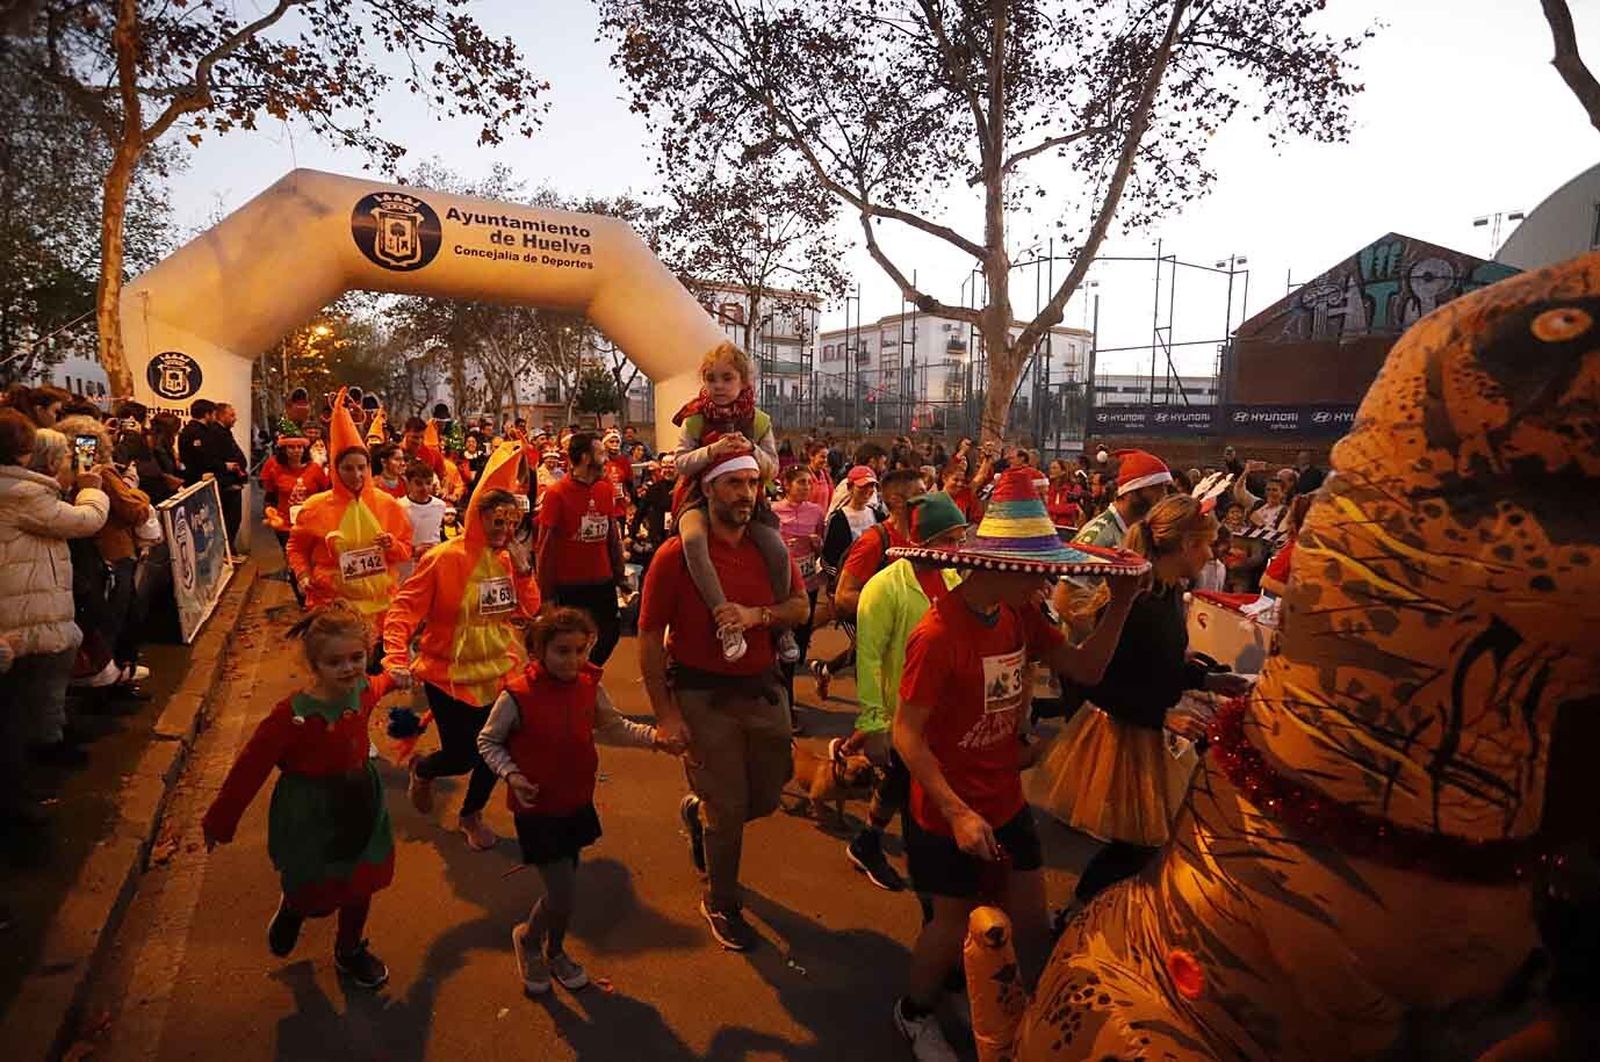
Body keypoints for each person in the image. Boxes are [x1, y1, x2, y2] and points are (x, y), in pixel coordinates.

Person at [890, 470, 1145, 1060]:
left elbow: (1085, 671)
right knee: (950, 926)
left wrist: (1122, 606)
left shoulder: (1021, 614)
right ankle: (914, 1012)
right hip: (943, 810)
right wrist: (955, 812)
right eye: (1034, 567)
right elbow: (907, 735)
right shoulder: (936, 634)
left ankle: (1030, 1019)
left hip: (1004, 798)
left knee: (1030, 921)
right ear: (996, 565)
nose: (1045, 578)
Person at [1040, 495, 1252, 913]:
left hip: (1147, 729)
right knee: (1136, 844)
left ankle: (1102, 911)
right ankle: (1076, 913)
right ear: (1188, 544)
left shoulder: (1167, 590)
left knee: (1144, 843)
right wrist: (1164, 716)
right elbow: (1098, 683)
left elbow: (1160, 667)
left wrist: (1207, 678)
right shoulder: (1139, 602)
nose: (1212, 554)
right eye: (1208, 545)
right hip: (1123, 733)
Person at [638, 452, 809, 952]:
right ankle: (722, 900)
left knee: (767, 795)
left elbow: (798, 607)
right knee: (730, 809)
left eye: (753, 483)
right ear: (709, 490)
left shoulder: (768, 550)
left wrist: (757, 616)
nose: (745, 493)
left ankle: (700, 813)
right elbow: (649, 637)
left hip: (762, 687)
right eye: (733, 483)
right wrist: (665, 714)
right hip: (700, 696)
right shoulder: (677, 555)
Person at [201, 603, 406, 990]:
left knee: (361, 882)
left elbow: (380, 684)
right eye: (335, 662)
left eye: (357, 657)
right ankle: (295, 907)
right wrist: (219, 821)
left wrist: (400, 677)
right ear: (314, 664)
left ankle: (349, 950)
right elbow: (250, 768)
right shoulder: (290, 716)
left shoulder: (361, 690)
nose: (349, 669)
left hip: (361, 803)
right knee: (316, 885)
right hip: (311, 812)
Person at [478, 607, 678, 994]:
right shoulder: (517, 695)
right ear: (538, 651)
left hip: (576, 802)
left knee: (564, 889)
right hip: (537, 810)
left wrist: (655, 739)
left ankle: (555, 950)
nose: (573, 661)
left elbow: (614, 726)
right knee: (562, 891)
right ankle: (530, 940)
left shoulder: (589, 682)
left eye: (580, 650)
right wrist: (511, 774)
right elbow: (488, 740)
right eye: (562, 651)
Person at [386, 446, 540, 851]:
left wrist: (524, 572)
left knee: (498, 747)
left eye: (510, 522)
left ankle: (471, 813)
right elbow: (404, 608)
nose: (503, 530)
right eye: (495, 521)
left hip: (501, 672)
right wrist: (394, 655)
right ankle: (425, 770)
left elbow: (528, 610)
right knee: (462, 756)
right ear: (477, 517)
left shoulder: (509, 560)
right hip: (446, 676)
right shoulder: (442, 559)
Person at [844, 492, 968, 892]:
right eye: (949, 540)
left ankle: (868, 842)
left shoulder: (952, 579)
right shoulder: (883, 589)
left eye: (960, 539)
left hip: (940, 712)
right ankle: (925, 879)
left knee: (904, 785)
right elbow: (868, 659)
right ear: (923, 543)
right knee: (911, 789)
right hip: (901, 713)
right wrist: (873, 722)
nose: (956, 549)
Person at [0, 415, 111, 811]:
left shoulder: (24, 491)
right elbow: (86, 521)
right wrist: (93, 491)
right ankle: (23, 792)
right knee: (18, 710)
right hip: (25, 611)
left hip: (30, 604)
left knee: (31, 699)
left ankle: (43, 755)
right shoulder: (22, 494)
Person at [667, 342, 796, 664]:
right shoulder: (694, 419)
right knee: (693, 540)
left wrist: (751, 449)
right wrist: (713, 451)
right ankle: (725, 621)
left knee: (777, 550)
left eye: (727, 378)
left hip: (747, 500)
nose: (719, 386)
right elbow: (680, 463)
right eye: (712, 379)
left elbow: (773, 468)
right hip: (700, 497)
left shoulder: (759, 421)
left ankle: (780, 626)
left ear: (743, 382)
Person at [286, 390, 412, 631]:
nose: (356, 475)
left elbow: (405, 551)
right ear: (335, 469)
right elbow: (296, 548)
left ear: (368, 467)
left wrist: (392, 545)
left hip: (381, 609)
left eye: (361, 468)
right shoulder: (315, 506)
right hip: (334, 611)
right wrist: (302, 575)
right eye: (348, 468)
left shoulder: (388, 504)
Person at [56, 415, 153, 693]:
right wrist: (141, 497)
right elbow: (132, 508)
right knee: (118, 616)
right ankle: (112, 677)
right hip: (113, 551)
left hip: (93, 554)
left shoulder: (69, 476)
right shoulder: (100, 474)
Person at [536, 431, 626, 665]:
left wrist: (619, 574)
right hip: (570, 585)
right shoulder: (556, 494)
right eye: (601, 453)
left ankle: (584, 674)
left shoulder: (605, 488)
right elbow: (545, 547)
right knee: (569, 640)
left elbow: (612, 535)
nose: (606, 459)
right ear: (586, 458)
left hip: (602, 581)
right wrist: (545, 595)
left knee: (610, 633)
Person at [832, 467, 926, 621]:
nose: (928, 500)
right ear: (897, 501)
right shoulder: (874, 541)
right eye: (920, 494)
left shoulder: (920, 537)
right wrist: (893, 614)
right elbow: (844, 597)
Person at [771, 463, 826, 720]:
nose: (806, 487)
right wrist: (782, 546)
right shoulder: (774, 512)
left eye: (809, 483)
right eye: (801, 482)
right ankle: (785, 705)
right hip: (782, 586)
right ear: (786, 485)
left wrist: (817, 545)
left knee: (802, 641)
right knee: (786, 648)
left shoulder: (816, 512)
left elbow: (822, 550)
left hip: (809, 583)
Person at [260, 434, 329, 550]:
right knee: (290, 556)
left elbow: (325, 495)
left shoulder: (315, 469)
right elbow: (270, 497)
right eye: (291, 447)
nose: (296, 450)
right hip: (285, 524)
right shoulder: (276, 470)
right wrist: (270, 513)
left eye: (299, 447)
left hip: (311, 523)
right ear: (284, 450)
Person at [212, 403, 249, 550]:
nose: (235, 418)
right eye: (231, 415)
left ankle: (230, 549)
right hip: (226, 484)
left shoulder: (225, 432)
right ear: (221, 415)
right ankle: (226, 551)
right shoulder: (216, 433)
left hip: (233, 482)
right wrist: (229, 469)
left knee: (234, 519)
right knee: (230, 520)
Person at [397, 462, 447, 572]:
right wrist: (414, 550)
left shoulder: (440, 505)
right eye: (419, 484)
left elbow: (439, 533)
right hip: (408, 564)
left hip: (432, 561)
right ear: (408, 483)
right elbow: (396, 540)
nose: (424, 488)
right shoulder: (399, 506)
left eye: (428, 483)